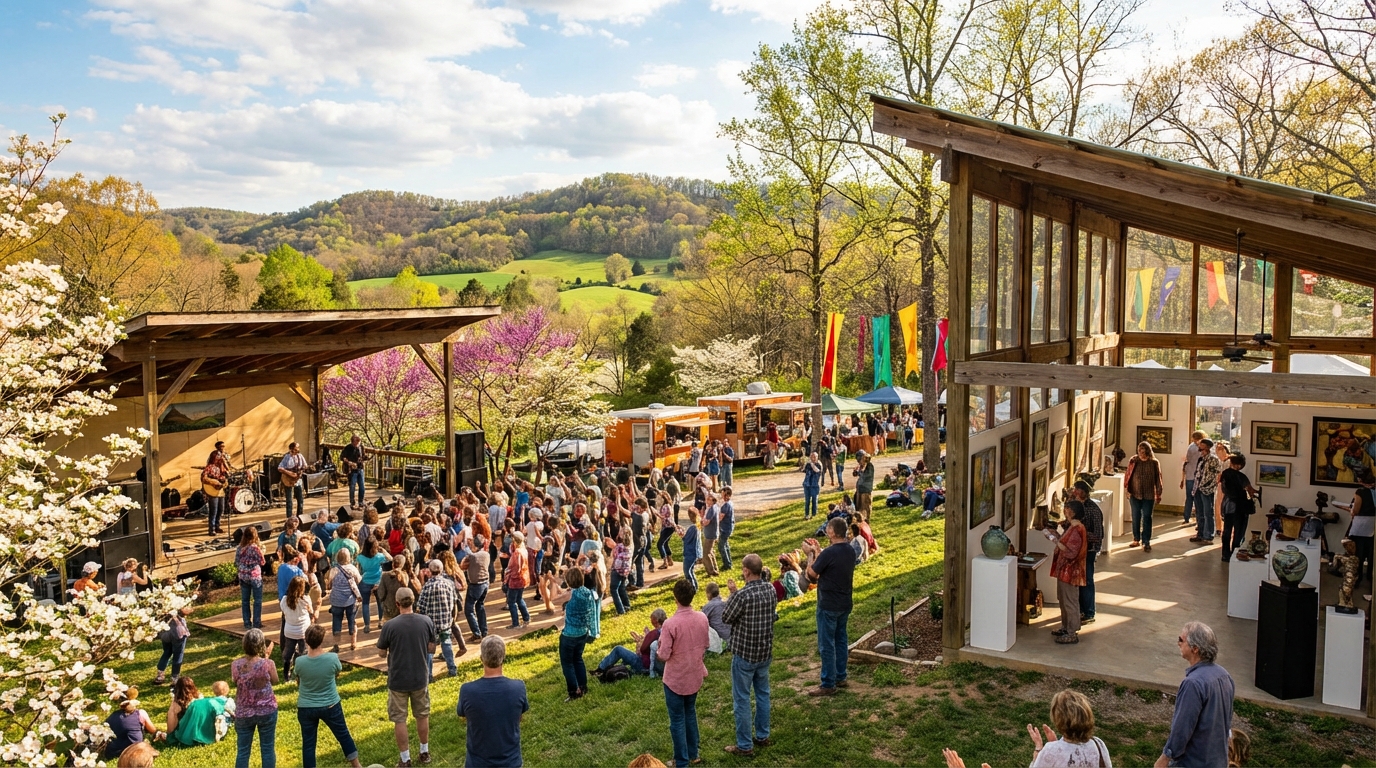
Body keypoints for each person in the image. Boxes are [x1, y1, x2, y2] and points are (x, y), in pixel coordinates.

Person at [722, 553, 778, 757]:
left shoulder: (742, 595)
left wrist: (732, 594)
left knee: (742, 699)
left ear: (746, 571)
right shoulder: (771, 589)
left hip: (745, 653)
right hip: (764, 651)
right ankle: (762, 735)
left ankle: (744, 745)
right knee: (763, 694)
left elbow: (726, 617)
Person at [1158, 622, 1234, 768]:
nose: (1178, 643)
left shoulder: (1193, 683)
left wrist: (1166, 757)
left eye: (1181, 639)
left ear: (1195, 649)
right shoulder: (1224, 676)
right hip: (1218, 761)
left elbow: (1182, 727)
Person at [377, 587, 437, 768]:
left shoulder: (390, 625)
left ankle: (405, 759)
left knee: (400, 719)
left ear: (397, 604)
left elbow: (381, 653)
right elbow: (432, 648)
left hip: (398, 679)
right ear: (414, 601)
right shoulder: (426, 621)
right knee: (422, 714)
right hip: (420, 676)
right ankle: (424, 751)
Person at [657, 579, 710, 768]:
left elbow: (663, 655)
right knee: (690, 713)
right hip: (694, 674)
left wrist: (658, 649)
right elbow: (706, 644)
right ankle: (693, 753)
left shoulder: (670, 624)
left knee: (677, 719)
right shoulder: (702, 618)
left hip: (675, 679)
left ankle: (681, 761)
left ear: (675, 598)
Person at [293, 624, 362, 768]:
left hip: (306, 707)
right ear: (322, 640)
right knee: (343, 735)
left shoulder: (299, 662)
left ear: (306, 640)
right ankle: (356, 765)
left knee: (308, 743)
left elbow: (298, 680)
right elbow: (336, 673)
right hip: (331, 704)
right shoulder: (332, 658)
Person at [456, 635, 528, 767]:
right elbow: (519, 716)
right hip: (510, 762)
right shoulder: (518, 687)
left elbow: (463, 716)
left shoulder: (467, 690)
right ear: (503, 658)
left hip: (477, 763)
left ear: (481, 659)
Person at [804, 517, 856, 696]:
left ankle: (827, 683)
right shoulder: (849, 550)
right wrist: (819, 552)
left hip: (828, 604)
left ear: (832, 532)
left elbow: (811, 575)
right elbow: (830, 566)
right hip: (845, 602)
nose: (826, 530)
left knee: (826, 644)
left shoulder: (829, 553)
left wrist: (810, 554)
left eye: (828, 528)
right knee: (841, 639)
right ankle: (840, 676)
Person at [1026, 689, 1111, 767]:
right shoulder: (1098, 744)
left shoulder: (1051, 750)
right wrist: (1056, 744)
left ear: (1058, 719)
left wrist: (1038, 749)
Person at [231, 629, 278, 768]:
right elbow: (275, 680)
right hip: (267, 710)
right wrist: (266, 659)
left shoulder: (235, 665)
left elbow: (235, 681)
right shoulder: (268, 664)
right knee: (268, 748)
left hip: (244, 711)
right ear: (261, 645)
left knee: (243, 751)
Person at [560, 567, 600, 701]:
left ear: (569, 581)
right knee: (578, 659)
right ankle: (583, 686)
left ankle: (574, 691)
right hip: (583, 632)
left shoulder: (570, 594)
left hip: (569, 634)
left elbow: (554, 596)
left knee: (567, 664)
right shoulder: (588, 592)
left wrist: (551, 580)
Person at [1050, 501, 1087, 645]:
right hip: (1064, 570)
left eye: (1066, 509)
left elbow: (1071, 552)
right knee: (1063, 599)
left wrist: (1054, 540)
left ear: (1072, 511)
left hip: (1070, 572)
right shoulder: (1072, 527)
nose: (1064, 511)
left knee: (1070, 601)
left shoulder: (1077, 529)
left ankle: (1072, 632)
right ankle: (1065, 627)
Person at [417, 559, 461, 680]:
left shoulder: (427, 587)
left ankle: (429, 675)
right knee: (447, 644)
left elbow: (420, 607)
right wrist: (453, 618)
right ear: (441, 570)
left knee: (430, 649)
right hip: (446, 621)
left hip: (430, 624)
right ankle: (452, 668)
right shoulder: (449, 584)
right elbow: (454, 602)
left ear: (430, 571)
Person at [596, 608, 666, 676]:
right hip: (659, 665)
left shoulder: (654, 633)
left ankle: (601, 669)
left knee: (618, 649)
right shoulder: (667, 631)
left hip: (644, 664)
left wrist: (645, 638)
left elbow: (642, 649)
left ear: (655, 621)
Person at [1070, 481, 1103, 625]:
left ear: (1084, 492)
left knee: (1087, 580)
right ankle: (1081, 610)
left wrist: (1080, 533)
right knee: (1078, 580)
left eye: (1078, 490)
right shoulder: (1074, 505)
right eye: (1075, 490)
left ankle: (1089, 612)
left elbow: (1098, 534)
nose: (1076, 492)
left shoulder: (1093, 510)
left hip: (1088, 550)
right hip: (1077, 549)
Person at [167, 678, 234, 747]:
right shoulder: (200, 697)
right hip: (205, 727)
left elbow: (171, 723)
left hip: (186, 730)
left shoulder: (176, 704)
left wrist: (170, 735)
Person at [1219, 454, 1258, 562]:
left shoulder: (1225, 474)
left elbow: (1224, 489)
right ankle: (1234, 553)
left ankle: (1225, 555)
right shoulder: (1241, 477)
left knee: (1227, 531)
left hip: (1227, 505)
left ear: (1231, 463)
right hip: (1240, 507)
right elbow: (1250, 490)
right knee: (1239, 532)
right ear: (1240, 465)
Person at [103, 687, 161, 761]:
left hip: (114, 752)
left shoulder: (113, 715)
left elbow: (104, 728)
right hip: (135, 751)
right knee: (146, 743)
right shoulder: (140, 713)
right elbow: (153, 730)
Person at [1126, 441, 1164, 553]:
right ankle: (1136, 538)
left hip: (1149, 495)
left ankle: (1146, 541)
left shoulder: (1154, 462)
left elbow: (1158, 478)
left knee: (1147, 517)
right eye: (1139, 451)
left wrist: (1158, 493)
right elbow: (1128, 475)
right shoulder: (1133, 460)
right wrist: (1127, 489)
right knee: (1135, 517)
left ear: (1148, 451)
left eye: (1144, 451)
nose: (1141, 454)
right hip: (1135, 493)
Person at [325, 548, 362, 653]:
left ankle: (336, 645)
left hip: (336, 600)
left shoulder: (334, 570)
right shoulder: (352, 568)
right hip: (350, 600)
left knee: (336, 620)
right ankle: (353, 643)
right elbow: (359, 580)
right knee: (352, 619)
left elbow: (329, 585)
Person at [279, 575, 313, 679]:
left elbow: (284, 612)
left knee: (288, 652)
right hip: (303, 631)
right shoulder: (305, 600)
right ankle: (301, 674)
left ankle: (286, 675)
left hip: (289, 631)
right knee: (303, 652)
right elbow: (311, 611)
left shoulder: (284, 600)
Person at [356, 536, 391, 634]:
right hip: (378, 581)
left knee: (365, 604)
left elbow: (359, 570)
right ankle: (380, 622)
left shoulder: (360, 557)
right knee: (380, 602)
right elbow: (390, 558)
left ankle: (367, 625)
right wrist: (383, 550)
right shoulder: (379, 556)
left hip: (365, 581)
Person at [1191, 438, 1222, 545]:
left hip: (1207, 490)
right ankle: (1200, 534)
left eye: (1202, 446)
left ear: (1208, 447)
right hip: (1198, 488)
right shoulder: (1201, 459)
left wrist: (1206, 485)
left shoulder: (1214, 459)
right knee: (1199, 512)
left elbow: (1215, 475)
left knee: (1208, 512)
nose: (1200, 448)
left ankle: (1208, 535)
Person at [1348, 471, 1376, 585]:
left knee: (1358, 553)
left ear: (1360, 480)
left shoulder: (1360, 492)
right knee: (1371, 553)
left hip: (1361, 526)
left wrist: (1351, 510)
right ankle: (1370, 576)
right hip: (1374, 524)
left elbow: (1356, 510)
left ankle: (1357, 577)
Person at [461, 535, 491, 640]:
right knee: (480, 606)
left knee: (468, 609)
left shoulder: (472, 556)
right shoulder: (486, 554)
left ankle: (476, 632)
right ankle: (484, 630)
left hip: (475, 585)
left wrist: (467, 552)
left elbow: (462, 565)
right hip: (485, 583)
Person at [236, 527, 266, 630]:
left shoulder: (240, 548)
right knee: (257, 600)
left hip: (243, 576)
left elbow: (237, 562)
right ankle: (256, 623)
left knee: (245, 601)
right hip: (254, 576)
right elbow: (262, 562)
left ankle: (247, 622)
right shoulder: (255, 548)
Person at [154, 606, 191, 684]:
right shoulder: (179, 602)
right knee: (178, 655)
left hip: (165, 632)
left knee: (166, 653)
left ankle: (160, 676)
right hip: (178, 632)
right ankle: (175, 679)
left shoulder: (160, 604)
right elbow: (185, 612)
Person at [504, 531, 533, 628]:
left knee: (511, 602)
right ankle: (526, 618)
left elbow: (515, 568)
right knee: (519, 599)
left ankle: (515, 623)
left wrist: (508, 574)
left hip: (515, 580)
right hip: (523, 578)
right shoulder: (523, 549)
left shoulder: (517, 553)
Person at [279, 442, 309, 520]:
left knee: (300, 499)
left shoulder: (300, 456)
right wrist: (289, 473)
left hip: (298, 480)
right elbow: (280, 468)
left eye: (298, 448)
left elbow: (305, 466)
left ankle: (300, 517)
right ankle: (289, 518)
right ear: (291, 449)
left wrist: (301, 471)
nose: (298, 449)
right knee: (289, 501)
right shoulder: (287, 457)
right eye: (296, 448)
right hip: (288, 481)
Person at [1181, 430, 1206, 526]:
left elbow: (1187, 460)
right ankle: (1188, 517)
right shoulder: (1192, 447)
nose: (1195, 441)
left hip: (1196, 476)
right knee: (1192, 498)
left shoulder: (1194, 447)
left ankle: (1195, 518)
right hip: (1192, 475)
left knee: (1195, 498)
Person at [202, 448, 229, 536]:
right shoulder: (209, 467)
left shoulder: (221, 467)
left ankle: (217, 526)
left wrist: (224, 479)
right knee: (213, 510)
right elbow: (204, 478)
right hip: (212, 490)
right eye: (218, 455)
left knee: (221, 509)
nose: (220, 457)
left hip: (220, 491)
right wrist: (213, 482)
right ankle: (211, 529)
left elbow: (224, 477)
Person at [340, 434, 367, 508]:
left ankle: (360, 502)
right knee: (352, 487)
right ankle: (352, 502)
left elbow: (364, 456)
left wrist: (365, 459)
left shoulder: (361, 447)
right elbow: (342, 457)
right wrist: (350, 463)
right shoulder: (348, 448)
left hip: (360, 469)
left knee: (362, 487)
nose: (358, 443)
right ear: (353, 441)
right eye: (356, 442)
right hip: (352, 471)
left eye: (359, 442)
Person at [678, 508, 702, 590]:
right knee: (691, 571)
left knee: (687, 572)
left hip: (690, 553)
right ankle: (695, 586)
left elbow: (686, 539)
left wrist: (681, 534)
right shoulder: (697, 526)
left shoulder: (693, 528)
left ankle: (692, 587)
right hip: (695, 553)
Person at [701, 493, 720, 578]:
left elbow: (706, 522)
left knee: (706, 554)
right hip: (712, 533)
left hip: (710, 534)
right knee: (711, 552)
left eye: (709, 499)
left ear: (713, 501)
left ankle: (711, 571)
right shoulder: (714, 507)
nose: (707, 500)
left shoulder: (712, 509)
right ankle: (715, 568)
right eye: (707, 499)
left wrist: (700, 521)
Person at [853, 450, 875, 520]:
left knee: (865, 508)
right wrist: (855, 472)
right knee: (858, 507)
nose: (859, 462)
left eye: (859, 459)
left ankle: (866, 521)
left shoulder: (869, 466)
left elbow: (866, 476)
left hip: (866, 490)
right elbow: (858, 474)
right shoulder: (861, 466)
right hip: (860, 489)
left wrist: (860, 471)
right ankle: (859, 521)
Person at [802, 452, 824, 520]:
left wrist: (811, 464)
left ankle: (814, 514)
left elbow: (817, 470)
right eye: (811, 457)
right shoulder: (808, 464)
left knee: (814, 500)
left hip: (814, 485)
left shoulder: (819, 464)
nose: (812, 458)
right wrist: (804, 464)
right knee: (807, 501)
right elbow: (803, 470)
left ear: (817, 457)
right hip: (807, 485)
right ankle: (807, 514)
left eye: (814, 457)